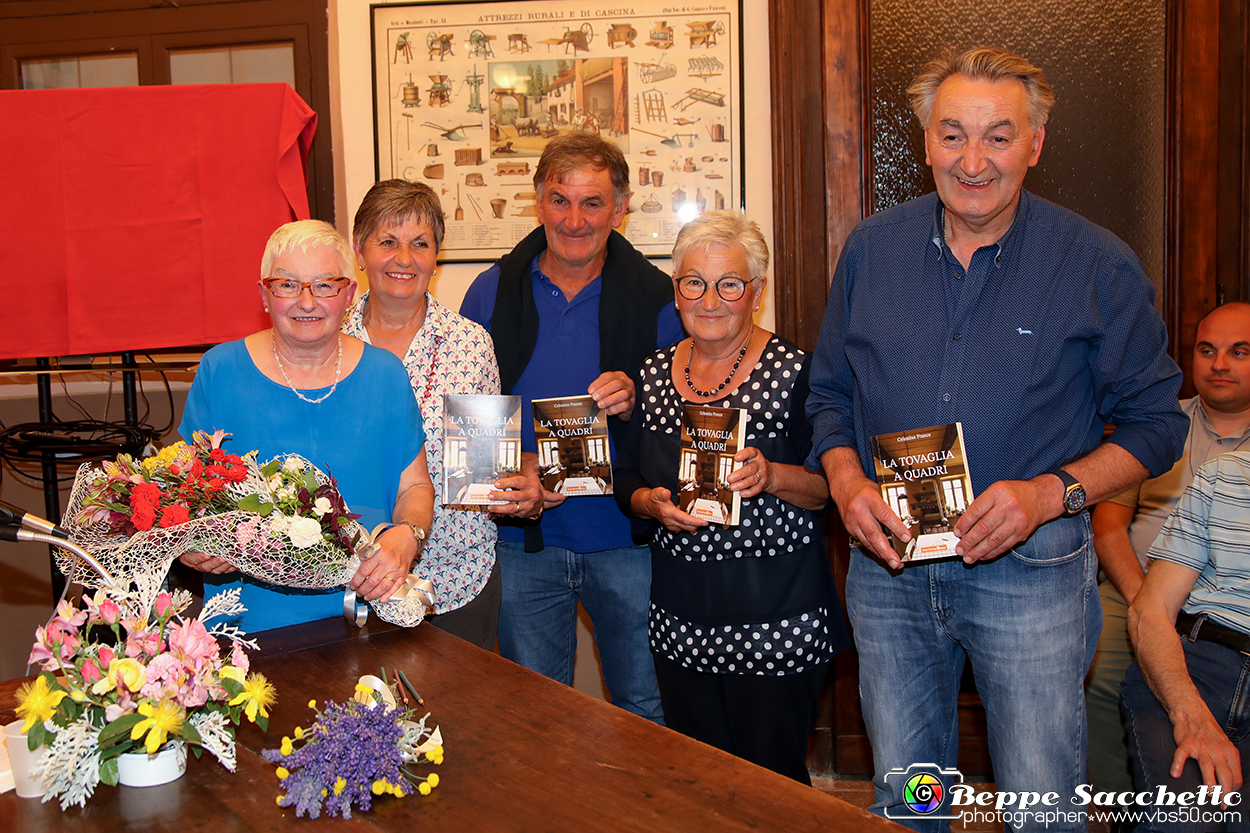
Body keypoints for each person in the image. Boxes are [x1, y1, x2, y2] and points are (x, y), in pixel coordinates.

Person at [805, 47, 1188, 830]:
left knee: (1041, 802)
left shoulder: (1097, 265)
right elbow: (830, 395)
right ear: (924, 141)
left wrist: (1049, 492)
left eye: (998, 137)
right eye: (952, 135)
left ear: (1036, 144)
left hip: (1034, 576)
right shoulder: (871, 252)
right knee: (912, 796)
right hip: (892, 569)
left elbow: (1158, 423)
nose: (972, 161)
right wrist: (845, 482)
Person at [614, 211, 849, 783]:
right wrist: (650, 503)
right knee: (698, 783)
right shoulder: (649, 375)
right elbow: (624, 477)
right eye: (694, 282)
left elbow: (829, 490)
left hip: (774, 618)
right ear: (676, 292)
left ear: (757, 292)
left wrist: (771, 476)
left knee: (771, 786)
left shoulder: (797, 374)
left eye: (730, 284)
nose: (710, 299)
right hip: (682, 618)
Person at [460, 132, 684, 722]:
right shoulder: (492, 290)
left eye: (592, 203)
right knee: (538, 718)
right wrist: (511, 475)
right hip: (520, 546)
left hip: (626, 541)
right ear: (539, 201)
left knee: (646, 708)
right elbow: (465, 414)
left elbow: (687, 422)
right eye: (561, 200)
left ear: (620, 207)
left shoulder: (660, 299)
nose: (575, 220)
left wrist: (640, 402)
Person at [179, 220, 434, 633]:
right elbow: (184, 494)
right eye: (287, 285)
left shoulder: (385, 375)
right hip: (243, 624)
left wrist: (408, 536)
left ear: (349, 294)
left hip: (367, 614)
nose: (306, 301)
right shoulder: (221, 370)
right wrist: (189, 546)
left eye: (324, 285)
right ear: (264, 294)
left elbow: (415, 487)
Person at [1088, 302, 1250, 796]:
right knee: (1094, 671)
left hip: (1229, 605)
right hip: (1135, 586)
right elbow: (1109, 525)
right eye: (1207, 350)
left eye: (1238, 352)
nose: (1218, 364)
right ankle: (1124, 805)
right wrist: (1143, 599)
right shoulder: (1158, 429)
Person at [342, 179, 503, 651]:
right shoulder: (328, 344)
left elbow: (482, 476)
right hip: (349, 583)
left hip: (455, 584)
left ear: (437, 255)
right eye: (387, 242)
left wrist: (515, 488)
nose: (404, 259)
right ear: (359, 249)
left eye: (420, 244)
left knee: (461, 724)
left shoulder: (470, 344)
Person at [1122, 454, 1250, 832]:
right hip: (1197, 666)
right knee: (1184, 820)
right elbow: (1151, 610)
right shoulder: (1224, 475)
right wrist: (1190, 714)